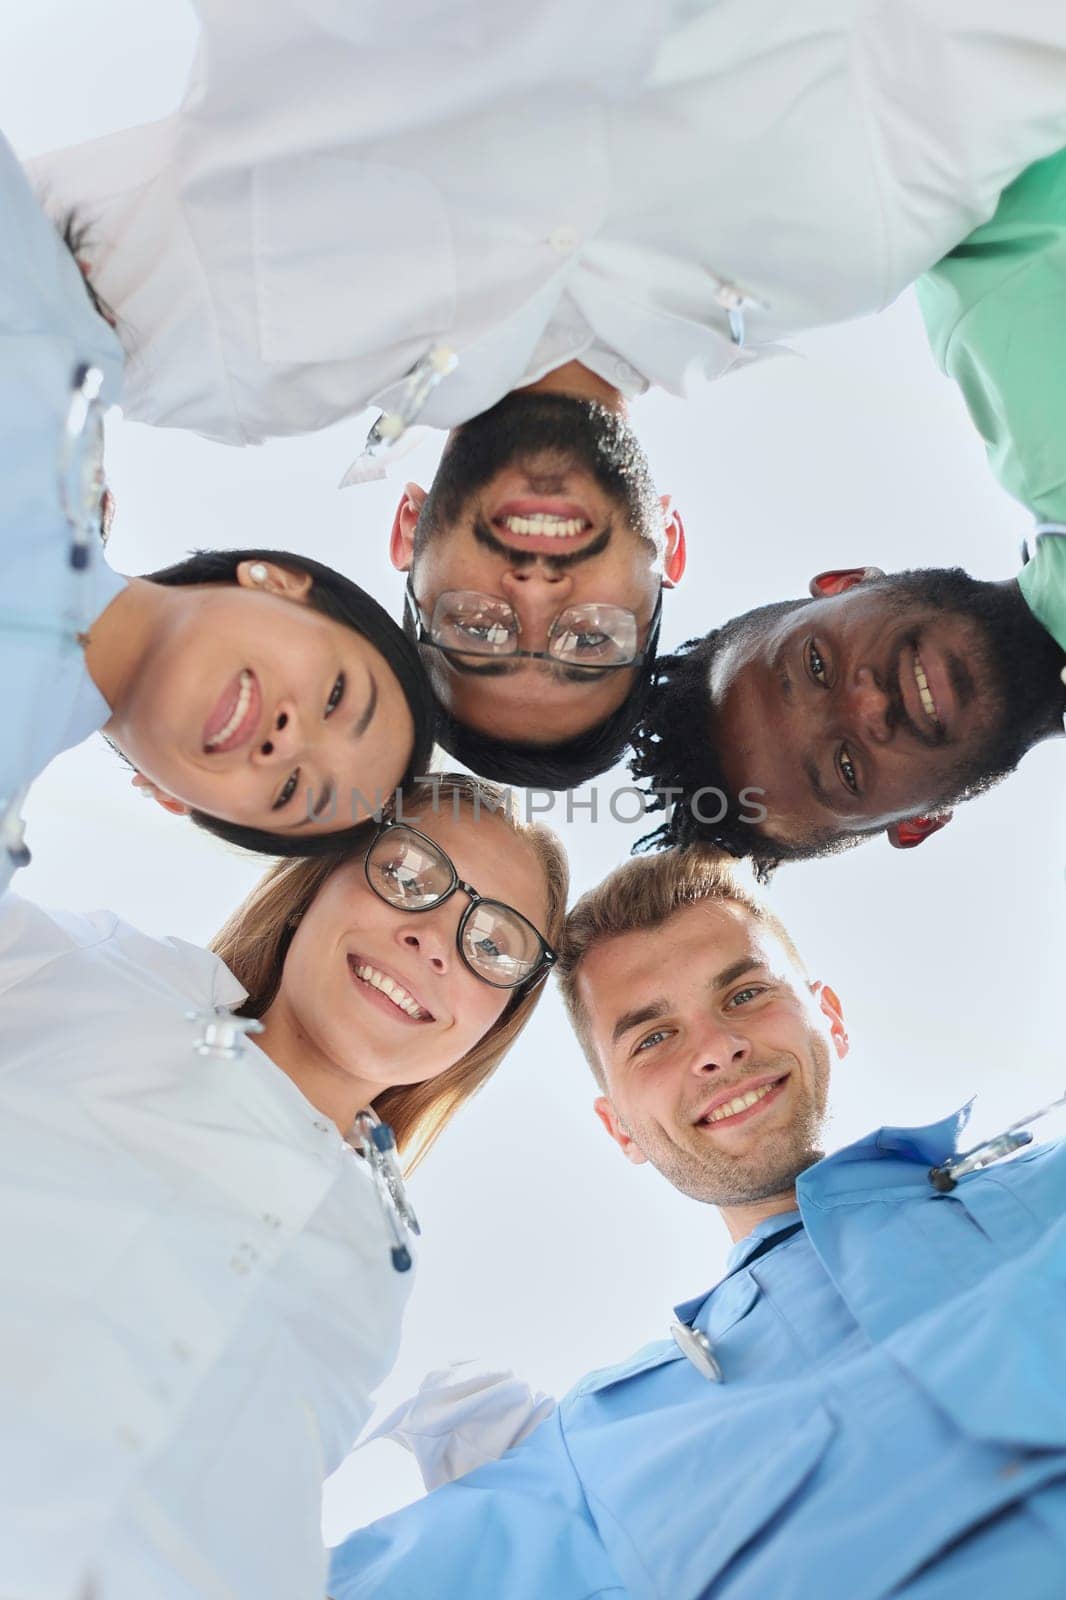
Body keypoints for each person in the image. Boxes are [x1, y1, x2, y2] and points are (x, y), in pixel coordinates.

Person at [26, 1, 1066, 781]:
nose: (532, 596)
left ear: (404, 537)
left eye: (473, 629)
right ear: (671, 546)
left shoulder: (231, 356)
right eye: (588, 644)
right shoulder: (854, 249)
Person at [327, 845, 1066, 1599]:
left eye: (744, 994)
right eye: (652, 1038)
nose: (717, 1048)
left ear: (830, 1019)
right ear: (620, 1130)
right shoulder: (594, 1455)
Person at [0, 772, 568, 1600]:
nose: (434, 941)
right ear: (320, 876)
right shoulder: (102, 980)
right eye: (408, 874)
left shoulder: (387, 1275)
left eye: (495, 946)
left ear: (497, 1021)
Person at [0, 129, 436, 892]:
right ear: (273, 580)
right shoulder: (58, 367)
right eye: (337, 696)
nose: (289, 740)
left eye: (295, 794)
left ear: (172, 801)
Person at [631, 154, 1066, 872]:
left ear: (847, 584)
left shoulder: (996, 270)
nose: (868, 706)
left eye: (814, 665)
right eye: (846, 770)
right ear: (921, 821)